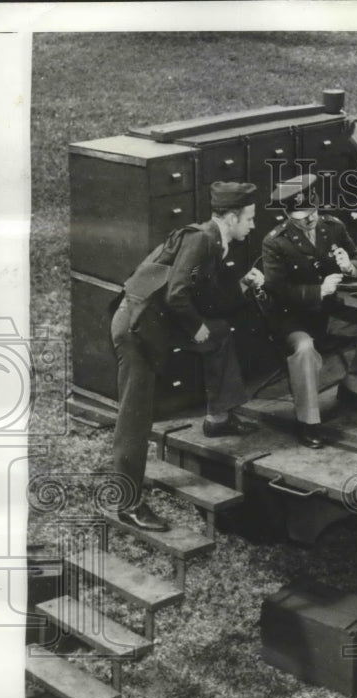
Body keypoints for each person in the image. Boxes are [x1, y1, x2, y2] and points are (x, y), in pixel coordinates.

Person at [110, 181, 264, 531]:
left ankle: (218, 416)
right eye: (249, 219)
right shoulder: (201, 240)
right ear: (230, 217)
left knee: (221, 333)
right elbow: (179, 294)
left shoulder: (215, 240)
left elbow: (205, 299)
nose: (253, 225)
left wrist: (242, 286)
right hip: (138, 330)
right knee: (135, 417)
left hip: (158, 321)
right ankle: (128, 503)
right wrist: (195, 328)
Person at [261, 174, 357, 449]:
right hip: (291, 318)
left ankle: (355, 390)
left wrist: (349, 267)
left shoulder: (333, 226)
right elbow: (276, 290)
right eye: (301, 216)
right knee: (305, 349)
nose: (309, 220)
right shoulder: (275, 241)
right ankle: (308, 422)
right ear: (287, 214)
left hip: (328, 314)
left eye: (311, 213)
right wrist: (318, 290)